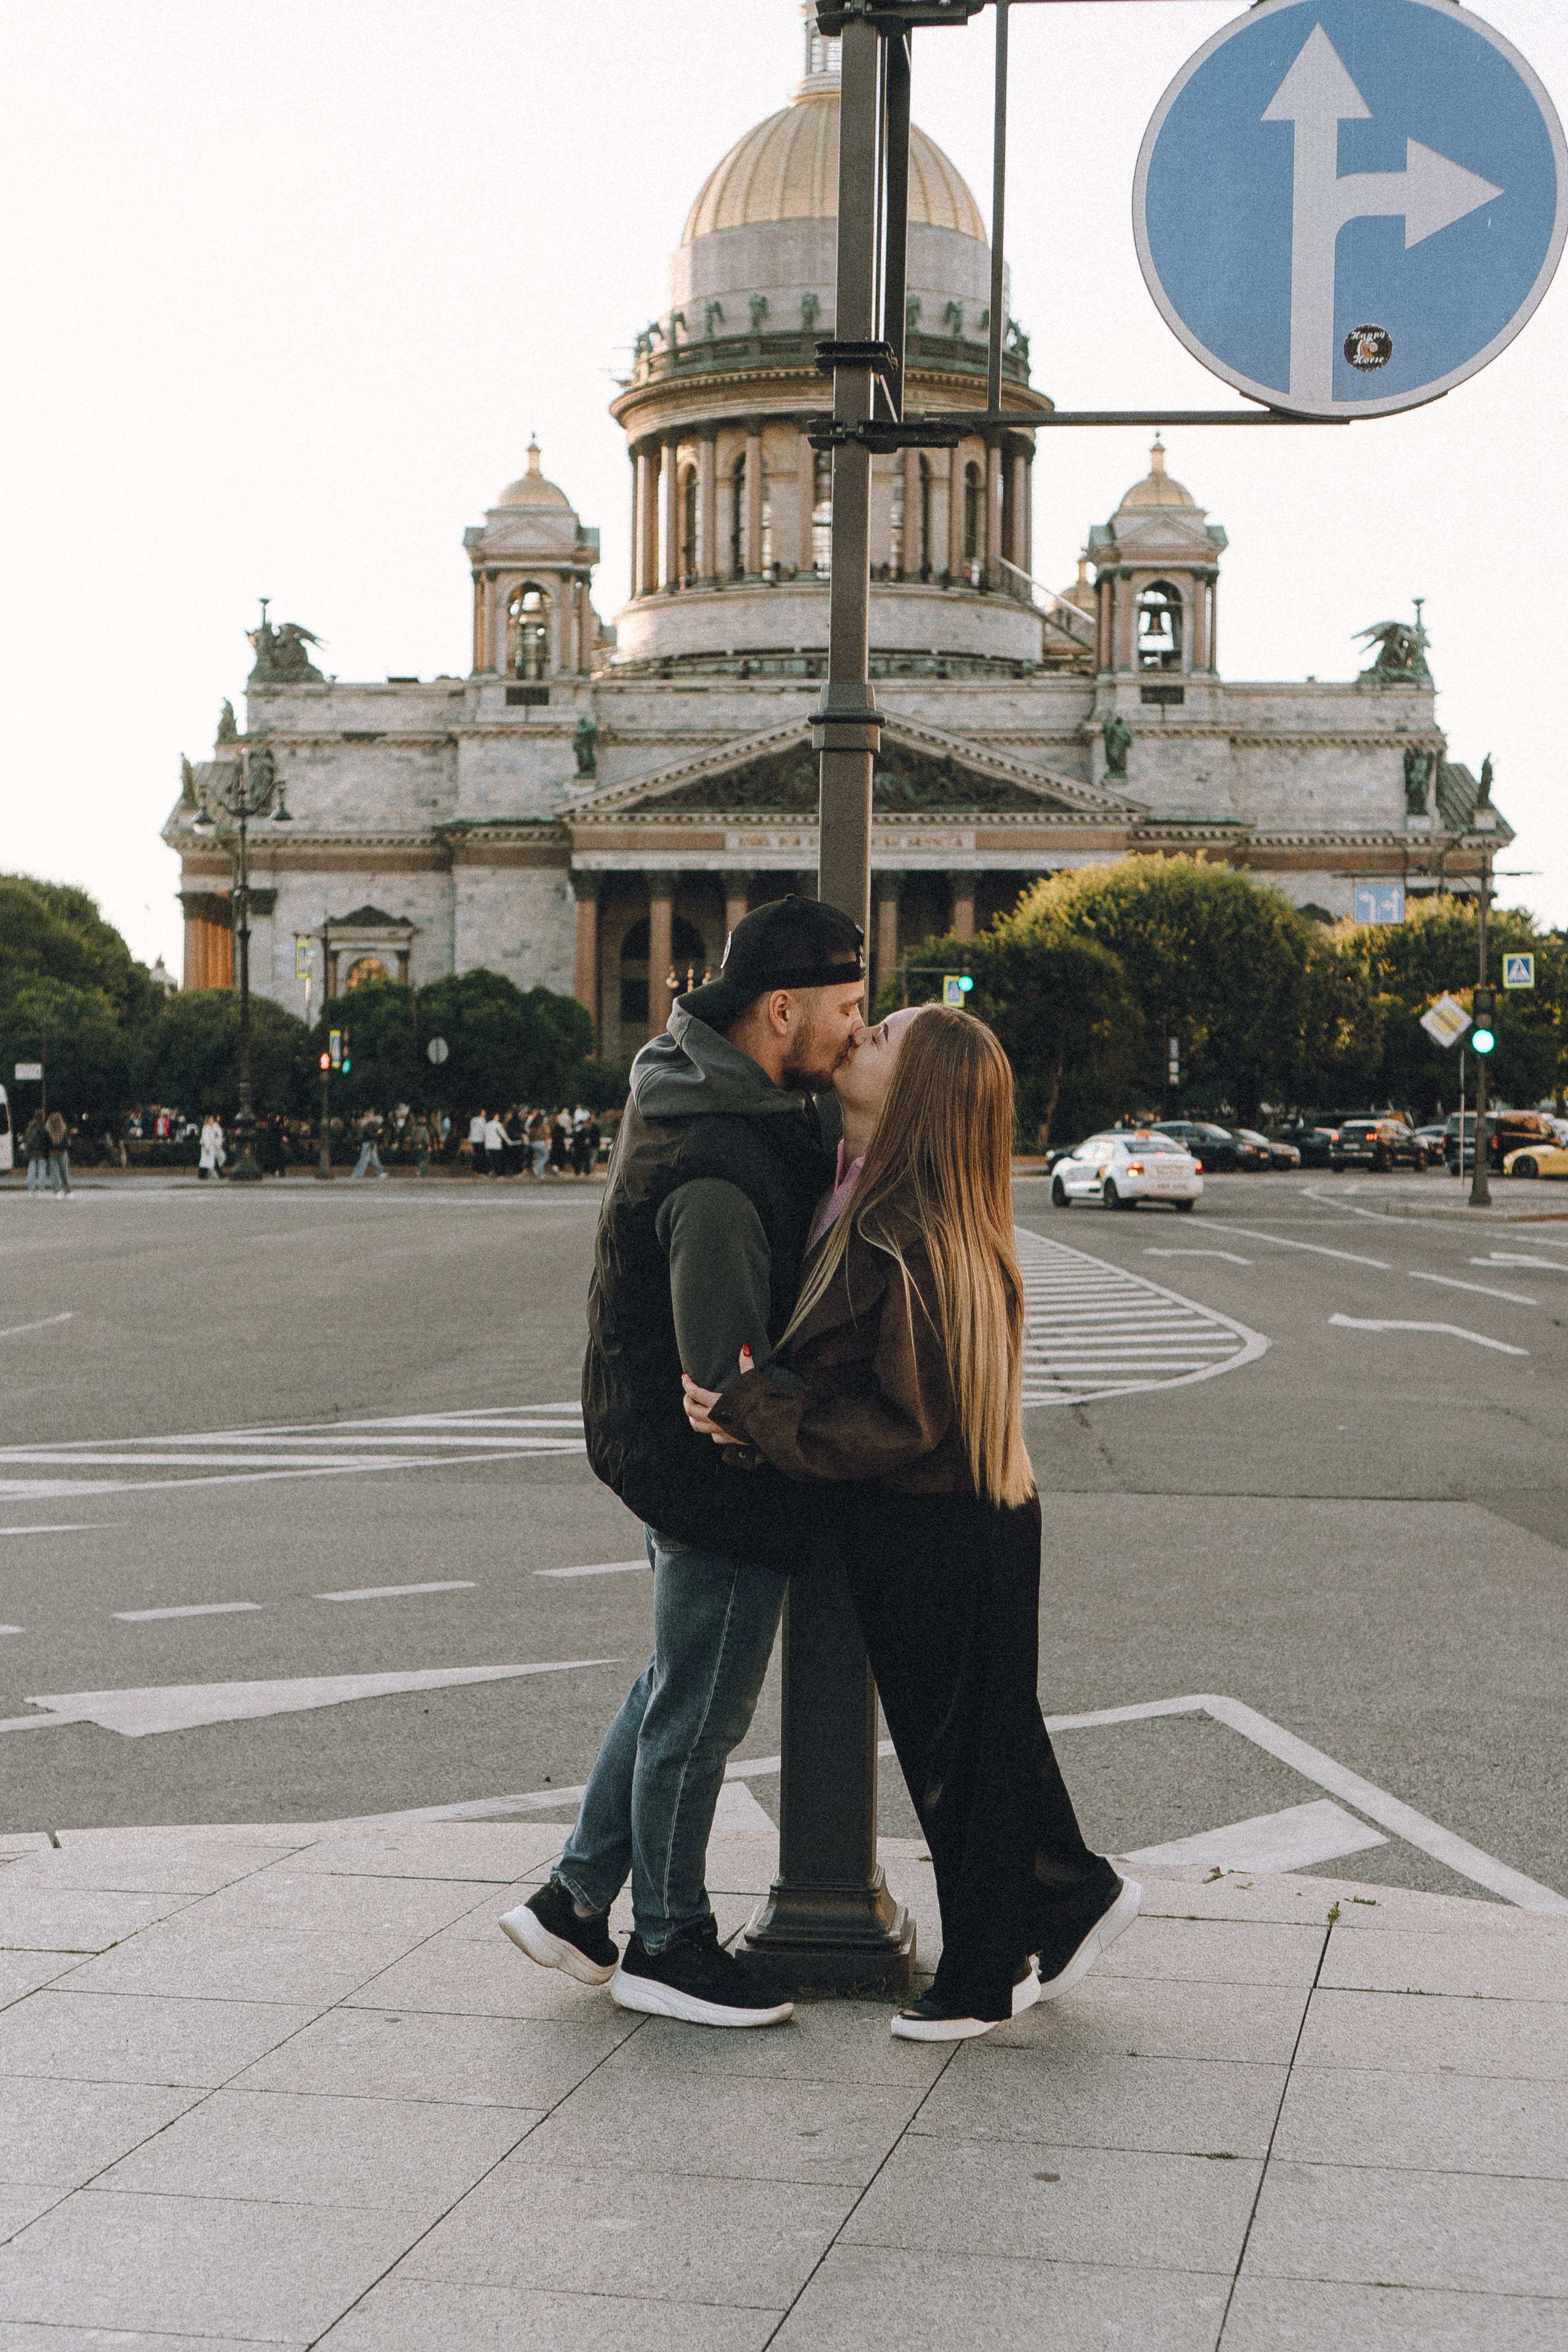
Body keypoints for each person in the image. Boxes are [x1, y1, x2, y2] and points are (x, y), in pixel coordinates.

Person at [684, 1006, 1139, 2041]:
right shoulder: (884, 1202)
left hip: (933, 1512)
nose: (858, 1037)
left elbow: (901, 1419)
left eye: (879, 1035)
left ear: (918, 1094)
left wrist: (753, 1412)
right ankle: (1064, 1900)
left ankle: (987, 1971)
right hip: (946, 1509)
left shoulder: (905, 1230)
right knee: (979, 1739)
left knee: (961, 1753)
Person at [499, 895, 866, 2029]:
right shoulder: (717, 1163)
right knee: (700, 1711)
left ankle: (573, 1899)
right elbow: (727, 1381)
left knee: (674, 1677)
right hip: (710, 1474)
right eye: (850, 1011)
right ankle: (668, 1939)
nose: (862, 1032)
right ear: (783, 1009)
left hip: (660, 1452)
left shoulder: (721, 1095)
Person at [350, 1110, 387, 1180]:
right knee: (364, 1160)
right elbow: (371, 1135)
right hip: (369, 1144)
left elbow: (361, 1136)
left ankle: (380, 1172)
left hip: (367, 1144)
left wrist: (358, 1144)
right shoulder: (370, 1124)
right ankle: (357, 1174)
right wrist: (378, 1133)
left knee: (374, 1159)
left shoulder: (364, 1124)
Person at [23, 1110, 48, 1196]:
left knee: (31, 1171)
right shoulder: (43, 1126)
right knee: (42, 1171)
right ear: (42, 1116)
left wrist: (27, 1149)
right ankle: (41, 1190)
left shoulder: (31, 1125)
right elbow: (46, 1139)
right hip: (41, 1151)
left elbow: (27, 1138)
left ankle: (31, 1190)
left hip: (32, 1151)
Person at [197, 1114, 225, 1181]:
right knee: (207, 1162)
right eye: (211, 1119)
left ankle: (203, 1175)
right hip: (208, 1148)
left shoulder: (211, 1128)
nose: (213, 1120)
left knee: (208, 1162)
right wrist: (207, 1147)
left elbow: (215, 1137)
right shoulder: (206, 1128)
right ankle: (219, 1174)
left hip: (211, 1148)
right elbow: (206, 1138)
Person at [407, 1112, 433, 1178]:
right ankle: (419, 1170)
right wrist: (429, 1146)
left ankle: (423, 1174)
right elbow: (426, 1138)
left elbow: (411, 1137)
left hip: (416, 1146)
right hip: (422, 1146)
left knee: (419, 1159)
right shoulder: (425, 1128)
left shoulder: (415, 1128)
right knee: (425, 1159)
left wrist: (411, 1145)